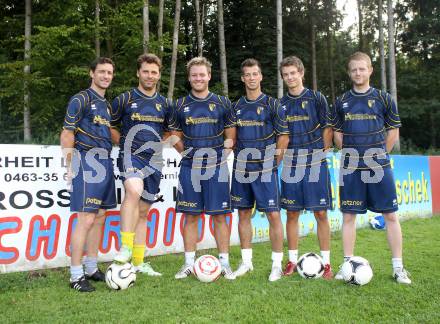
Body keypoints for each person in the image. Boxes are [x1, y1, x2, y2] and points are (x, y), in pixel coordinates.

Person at [331, 51, 411, 284]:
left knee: (390, 216)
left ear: (370, 70)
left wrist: (378, 155)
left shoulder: (384, 98)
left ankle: (398, 268)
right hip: (351, 166)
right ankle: (347, 264)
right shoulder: (341, 101)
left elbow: (393, 132)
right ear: (349, 72)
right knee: (349, 217)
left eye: (362, 69)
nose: (358, 73)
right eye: (354, 69)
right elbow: (337, 133)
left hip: (379, 166)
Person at [169, 57, 237, 280]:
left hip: (216, 169)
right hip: (190, 168)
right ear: (189, 78)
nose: (198, 78)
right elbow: (173, 137)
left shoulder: (222, 103)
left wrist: (221, 157)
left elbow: (231, 136)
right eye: (194, 75)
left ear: (209, 76)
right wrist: (186, 154)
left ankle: (225, 263)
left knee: (219, 217)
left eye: (202, 74)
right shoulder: (179, 105)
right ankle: (188, 263)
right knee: (190, 216)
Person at [110, 53, 171, 276]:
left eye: (154, 72)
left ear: (159, 75)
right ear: (138, 72)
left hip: (154, 160)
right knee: (133, 190)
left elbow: (169, 130)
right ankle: (125, 247)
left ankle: (138, 262)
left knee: (144, 212)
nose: (149, 76)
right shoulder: (124, 99)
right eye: (145, 71)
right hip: (130, 156)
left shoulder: (165, 103)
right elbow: (109, 125)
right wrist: (124, 143)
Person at [60, 57, 117, 292]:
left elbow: (112, 135)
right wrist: (70, 165)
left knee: (101, 216)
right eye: (102, 71)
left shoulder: (107, 105)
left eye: (110, 73)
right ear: (91, 73)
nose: (106, 76)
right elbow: (67, 133)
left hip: (105, 162)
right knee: (86, 218)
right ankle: (75, 275)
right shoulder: (81, 99)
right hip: (87, 162)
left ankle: (92, 267)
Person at [231, 58, 289, 282]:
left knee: (273, 215)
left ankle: (276, 265)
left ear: (261, 76)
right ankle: (246, 263)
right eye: (247, 74)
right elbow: (232, 137)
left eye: (255, 74)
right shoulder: (236, 107)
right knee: (243, 213)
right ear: (243, 78)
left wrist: (275, 161)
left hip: (265, 168)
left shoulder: (273, 104)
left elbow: (283, 136)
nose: (251, 78)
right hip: (242, 168)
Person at [279, 56, 334, 279]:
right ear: (283, 77)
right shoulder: (280, 104)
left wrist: (322, 151)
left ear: (301, 73)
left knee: (320, 212)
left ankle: (327, 264)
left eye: (293, 73)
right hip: (291, 162)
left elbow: (328, 127)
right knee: (292, 213)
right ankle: (292, 261)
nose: (290, 77)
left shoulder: (316, 98)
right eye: (286, 74)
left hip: (314, 162)